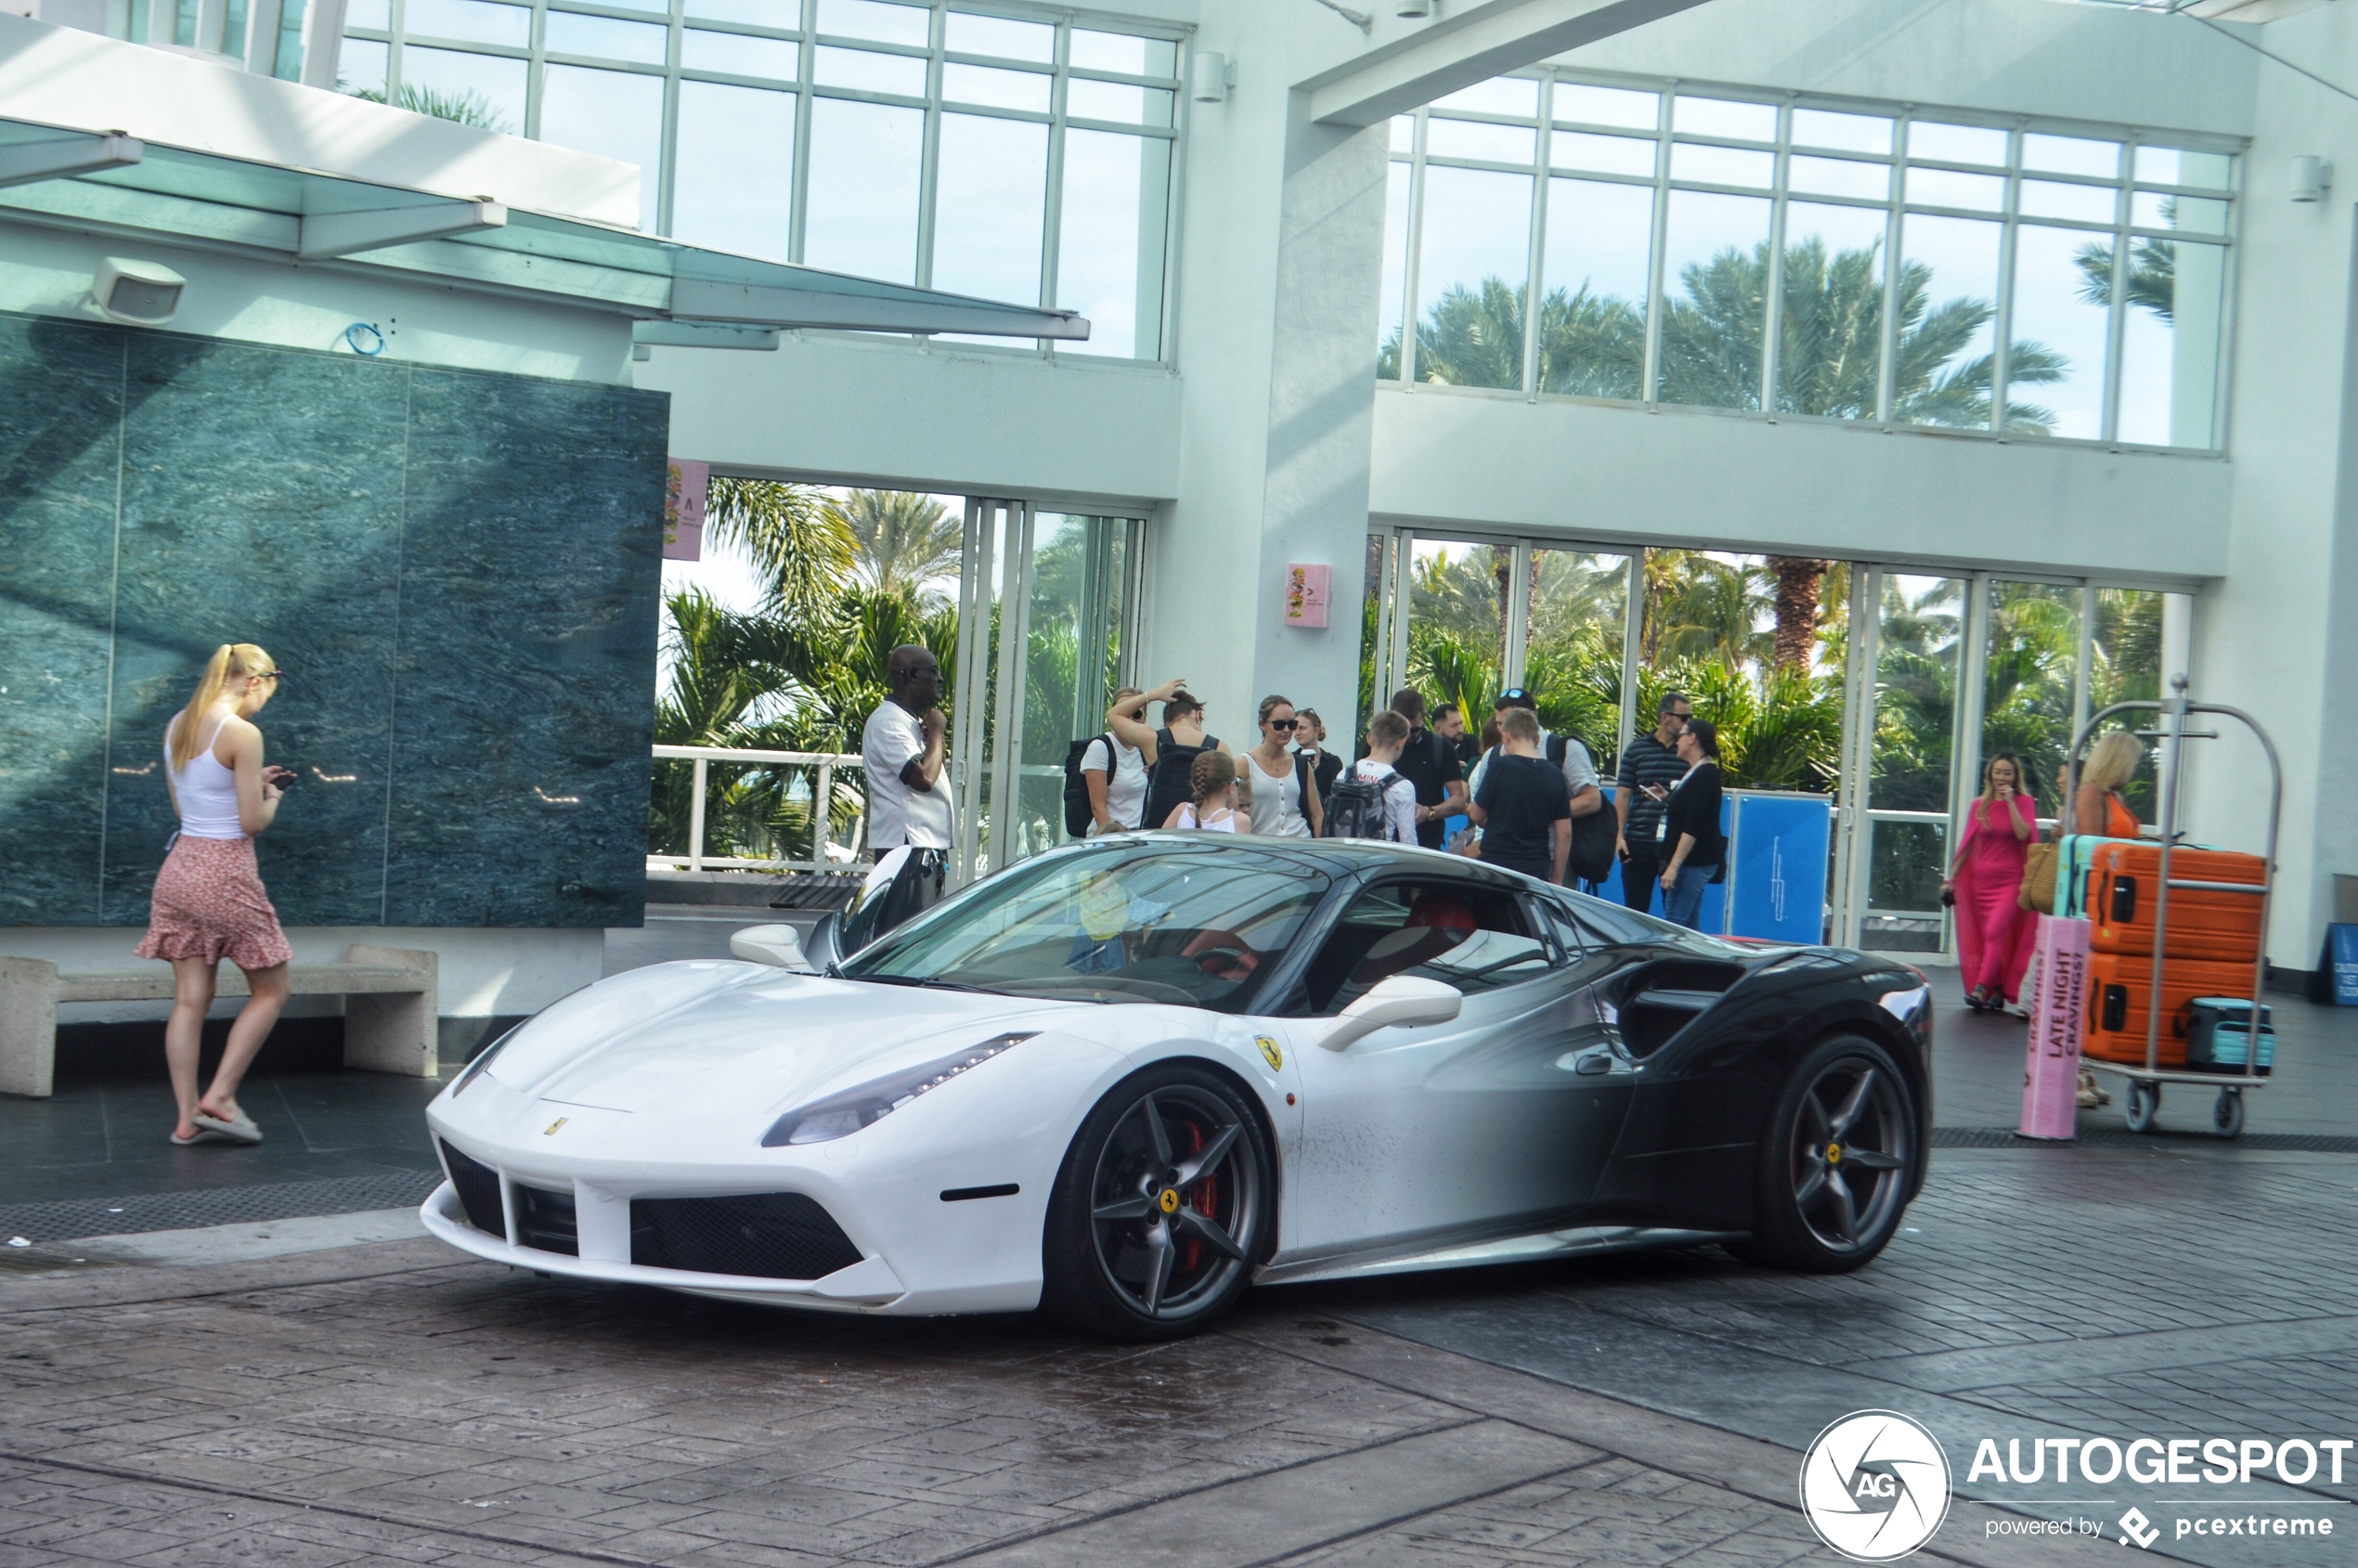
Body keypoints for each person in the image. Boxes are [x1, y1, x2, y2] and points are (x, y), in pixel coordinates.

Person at [136, 643, 296, 1147]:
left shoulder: (179, 723)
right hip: (225, 875)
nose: (262, 704)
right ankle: (221, 1095)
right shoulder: (243, 733)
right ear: (254, 682)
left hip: (179, 869)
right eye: (265, 692)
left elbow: (188, 806)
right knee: (272, 990)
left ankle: (186, 1121)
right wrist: (270, 795)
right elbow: (251, 823)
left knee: (190, 1001)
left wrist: (246, 782)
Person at [862, 643, 953, 932]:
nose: (940, 679)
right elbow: (923, 778)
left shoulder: (908, 722)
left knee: (917, 935)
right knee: (903, 939)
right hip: (907, 846)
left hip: (920, 846)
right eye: (934, 672)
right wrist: (937, 729)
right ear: (911, 675)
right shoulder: (889, 721)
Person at [1943, 754, 2041, 1014]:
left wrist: (2010, 804)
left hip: (2011, 881)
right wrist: (1950, 878)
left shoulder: (2024, 802)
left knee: (1995, 932)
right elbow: (1966, 845)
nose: (2001, 777)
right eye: (1997, 772)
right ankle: (1996, 989)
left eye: (2007, 773)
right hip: (1981, 883)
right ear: (1990, 775)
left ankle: (1980, 987)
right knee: (1993, 938)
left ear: (2015, 777)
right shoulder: (1979, 805)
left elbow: (2024, 835)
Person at [1111, 679, 1230, 834]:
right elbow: (1230, 795)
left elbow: (1113, 714)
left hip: (1158, 832)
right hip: (1203, 832)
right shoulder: (1220, 748)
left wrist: (1152, 695)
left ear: (1166, 723)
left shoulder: (1153, 739)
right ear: (1197, 715)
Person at [1470, 707, 1571, 884]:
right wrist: (1557, 880)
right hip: (1535, 868)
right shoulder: (1555, 774)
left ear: (1505, 737)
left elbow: (1476, 814)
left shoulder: (1499, 767)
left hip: (1496, 865)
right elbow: (1565, 834)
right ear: (1537, 739)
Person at [1615, 691, 1693, 914]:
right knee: (1635, 910)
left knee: (1675, 913)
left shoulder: (1688, 753)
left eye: (1690, 718)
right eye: (1683, 717)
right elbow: (1623, 795)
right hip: (1639, 841)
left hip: (1674, 843)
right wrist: (1619, 836)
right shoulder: (1636, 750)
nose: (1688, 723)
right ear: (1664, 717)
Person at [1655, 718, 1726, 929]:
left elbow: (1693, 826)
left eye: (1681, 735)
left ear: (1692, 738)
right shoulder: (1696, 772)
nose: (1677, 741)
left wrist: (1673, 866)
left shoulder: (1704, 776)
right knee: (1689, 927)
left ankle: (1675, 963)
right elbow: (1690, 807)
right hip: (1693, 860)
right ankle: (1698, 962)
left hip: (1693, 861)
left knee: (1674, 924)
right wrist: (1668, 797)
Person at [1386, 689, 1466, 850]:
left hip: (1427, 842)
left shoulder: (1441, 748)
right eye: (1401, 730)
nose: (1407, 736)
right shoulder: (1379, 743)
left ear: (1423, 717)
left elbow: (1458, 800)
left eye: (1414, 730)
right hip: (1382, 840)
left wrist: (1429, 812)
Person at [1237, 694, 1324, 837]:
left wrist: (1316, 846)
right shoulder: (1245, 763)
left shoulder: (1301, 764)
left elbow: (1317, 814)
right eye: (1279, 724)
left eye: (1292, 725)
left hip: (1300, 845)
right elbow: (1233, 812)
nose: (1286, 730)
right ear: (1262, 724)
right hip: (1260, 847)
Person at [1334, 709, 1419, 843]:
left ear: (1369, 738)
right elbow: (1407, 838)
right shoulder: (1402, 786)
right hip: (1378, 857)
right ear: (1401, 742)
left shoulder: (1345, 773)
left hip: (1344, 854)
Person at [1078, 686, 1150, 835]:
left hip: (1138, 838)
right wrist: (1114, 840)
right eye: (1123, 712)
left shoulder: (1146, 749)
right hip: (1108, 839)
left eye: (1135, 713)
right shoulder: (1101, 747)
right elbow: (1098, 807)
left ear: (1144, 717)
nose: (1129, 719)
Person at [2075, 730, 2145, 839]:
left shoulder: (2114, 797)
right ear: (2119, 764)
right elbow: (2091, 846)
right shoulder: (2091, 791)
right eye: (2133, 764)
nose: (2134, 771)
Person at [1162, 749, 1246, 832]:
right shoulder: (1239, 821)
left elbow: (1158, 842)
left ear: (1194, 786)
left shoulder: (1181, 812)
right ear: (1230, 787)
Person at [1293, 708, 1343, 810]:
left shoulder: (1332, 762)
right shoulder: (1290, 760)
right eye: (1294, 728)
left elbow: (1335, 796)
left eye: (1302, 728)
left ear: (1316, 731)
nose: (1297, 733)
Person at [1434, 703, 1479, 769]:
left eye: (1461, 723)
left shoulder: (1472, 743)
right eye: (1454, 725)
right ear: (1438, 729)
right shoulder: (1430, 749)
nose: (1460, 729)